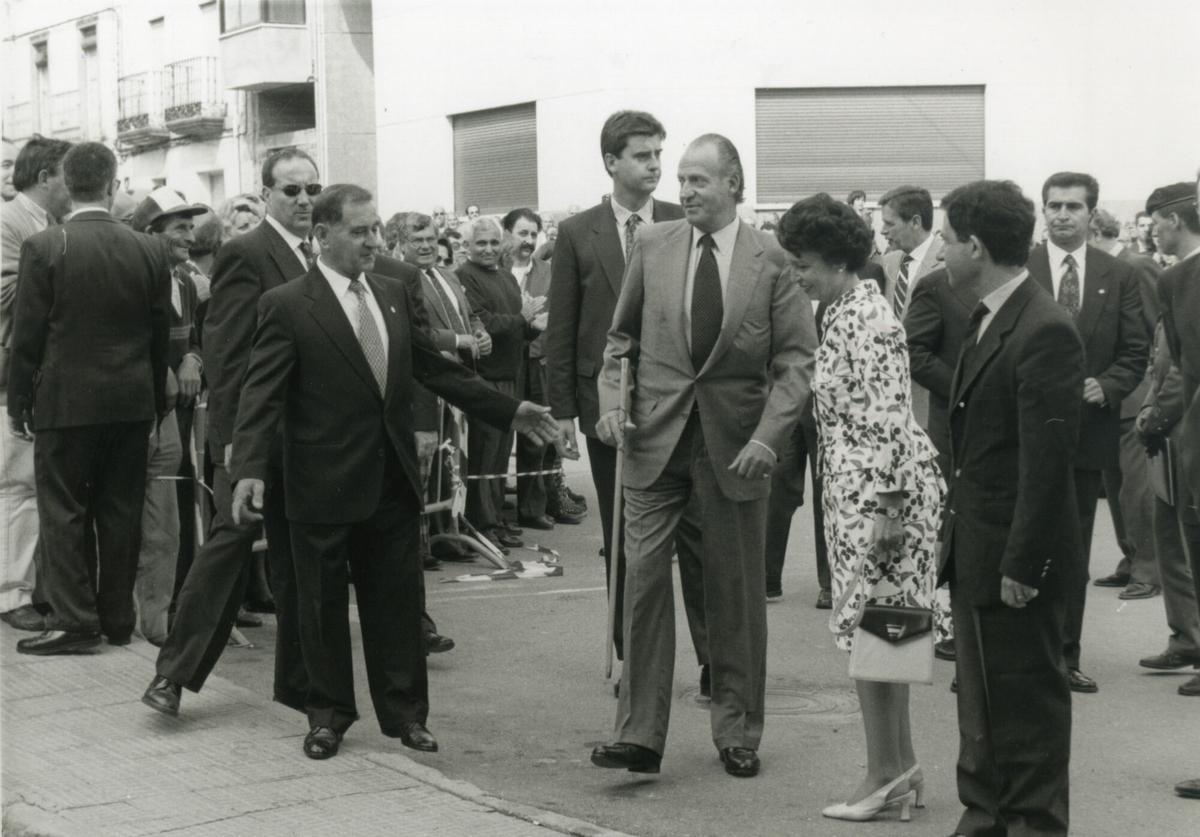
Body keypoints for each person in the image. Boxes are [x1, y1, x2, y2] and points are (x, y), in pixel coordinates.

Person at [226, 183, 560, 759]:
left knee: (398, 605)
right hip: (320, 485)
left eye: (375, 229)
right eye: (359, 232)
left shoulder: (392, 293)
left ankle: (406, 716)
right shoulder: (286, 304)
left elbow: (437, 369)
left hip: (390, 480)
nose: (372, 242)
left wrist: (510, 409)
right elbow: (262, 394)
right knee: (323, 607)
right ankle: (327, 716)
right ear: (322, 236)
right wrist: (250, 466)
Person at [589, 134, 816, 778]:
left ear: (733, 185)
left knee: (733, 596)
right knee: (644, 587)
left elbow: (795, 361)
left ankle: (738, 730)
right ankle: (639, 735)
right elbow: (620, 341)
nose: (682, 191)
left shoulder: (770, 261)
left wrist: (768, 438)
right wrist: (611, 402)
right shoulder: (653, 245)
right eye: (681, 180)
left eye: (697, 181)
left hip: (736, 452)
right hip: (652, 447)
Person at [774, 194, 942, 821]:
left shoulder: (860, 317)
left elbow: (892, 425)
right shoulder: (847, 308)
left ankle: (882, 773)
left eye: (803, 263)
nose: (796, 273)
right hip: (869, 497)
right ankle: (898, 766)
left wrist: (889, 518)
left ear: (838, 259)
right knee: (886, 636)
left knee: (876, 637)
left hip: (881, 502)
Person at [142, 147, 319, 717]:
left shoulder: (316, 256)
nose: (303, 200)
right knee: (228, 546)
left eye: (311, 189)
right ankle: (173, 675)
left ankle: (295, 688)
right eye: (290, 190)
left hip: (308, 439)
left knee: (296, 563)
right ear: (266, 193)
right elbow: (225, 350)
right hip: (253, 438)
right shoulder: (247, 253)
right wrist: (232, 443)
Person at [545, 110, 709, 690]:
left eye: (660, 155)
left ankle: (712, 660)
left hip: (676, 405)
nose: (657, 167)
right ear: (612, 161)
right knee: (624, 538)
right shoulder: (576, 233)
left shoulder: (682, 220)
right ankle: (633, 657)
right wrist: (563, 413)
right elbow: (561, 329)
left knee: (694, 535)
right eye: (643, 155)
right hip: (607, 410)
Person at [940, 179, 1083, 837]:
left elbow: (1047, 464)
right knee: (981, 698)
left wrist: (1024, 561)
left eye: (946, 237)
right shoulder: (988, 314)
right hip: (979, 544)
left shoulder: (1044, 327)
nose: (942, 249)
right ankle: (986, 813)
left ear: (975, 245)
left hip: (1017, 555)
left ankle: (1031, 819)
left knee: (1026, 699)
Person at [8, 141, 173, 654]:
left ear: (67, 183)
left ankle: (74, 620)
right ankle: (116, 618)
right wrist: (154, 404)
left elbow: (28, 337)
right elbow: (158, 334)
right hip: (129, 403)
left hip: (65, 403)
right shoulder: (150, 249)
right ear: (111, 183)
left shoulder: (46, 246)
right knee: (119, 511)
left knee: (64, 512)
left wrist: (18, 404)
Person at [1026, 171, 1149, 694]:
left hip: (1085, 433)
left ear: (1091, 213)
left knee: (1072, 549)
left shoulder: (1116, 274)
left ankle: (1065, 656)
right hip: (1024, 432)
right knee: (1022, 542)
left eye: (1073, 207)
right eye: (1053, 205)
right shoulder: (1021, 268)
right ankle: (1020, 657)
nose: (1061, 215)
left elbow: (1136, 350)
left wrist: (1109, 385)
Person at [128, 188, 209, 644]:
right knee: (127, 522)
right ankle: (124, 618)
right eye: (179, 227)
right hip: (137, 418)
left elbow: (194, 338)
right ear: (149, 233)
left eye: (191, 226)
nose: (190, 235)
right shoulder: (134, 277)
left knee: (165, 527)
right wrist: (160, 369)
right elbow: (120, 338)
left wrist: (193, 361)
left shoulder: (185, 281)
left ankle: (157, 624)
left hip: (169, 423)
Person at [0, 135, 71, 632]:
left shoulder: (46, 225)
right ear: (46, 177)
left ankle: (31, 587)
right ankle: (13, 594)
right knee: (17, 487)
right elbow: (5, 291)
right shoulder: (9, 223)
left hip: (37, 377)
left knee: (30, 486)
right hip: (10, 379)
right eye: (69, 175)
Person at [455, 216, 544, 550]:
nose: (489, 249)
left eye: (494, 242)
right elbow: (487, 323)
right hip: (486, 378)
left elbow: (517, 328)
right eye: (481, 243)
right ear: (468, 246)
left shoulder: (505, 277)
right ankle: (482, 523)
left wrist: (534, 326)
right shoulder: (465, 276)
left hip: (511, 374)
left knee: (499, 454)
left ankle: (494, 519)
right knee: (484, 454)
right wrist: (523, 319)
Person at [1143, 181, 1200, 699]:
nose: (1151, 230)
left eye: (1154, 220)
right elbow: (1172, 361)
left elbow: (1185, 374)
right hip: (1181, 434)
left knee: (1184, 540)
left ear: (1175, 219)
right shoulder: (1176, 278)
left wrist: (1155, 417)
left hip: (1182, 428)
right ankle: (1189, 638)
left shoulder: (1184, 278)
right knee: (1175, 538)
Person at [1089, 208, 1162, 598]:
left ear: (1097, 231)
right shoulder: (1098, 270)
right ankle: (1130, 559)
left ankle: (1149, 570)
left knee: (1136, 489)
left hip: (1135, 394)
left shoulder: (1137, 266)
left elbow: (1155, 330)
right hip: (1105, 396)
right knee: (1115, 487)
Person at [503, 207, 580, 529]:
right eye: (522, 233)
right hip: (507, 363)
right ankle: (495, 513)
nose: (528, 240)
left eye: (533, 234)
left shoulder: (548, 271)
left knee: (540, 437)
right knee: (503, 436)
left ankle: (535, 507)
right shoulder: (497, 269)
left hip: (540, 360)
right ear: (507, 233)